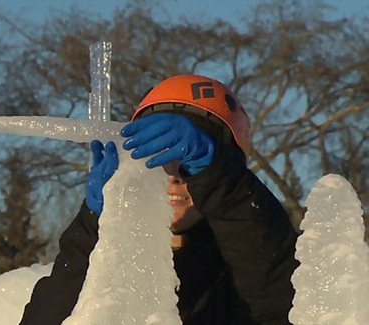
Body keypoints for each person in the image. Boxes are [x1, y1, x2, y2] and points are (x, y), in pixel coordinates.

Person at [19, 75, 299, 325]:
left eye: (189, 161)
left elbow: (276, 296)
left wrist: (221, 180)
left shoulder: (243, 269)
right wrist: (95, 227)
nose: (173, 174)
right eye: (159, 155)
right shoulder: (120, 260)